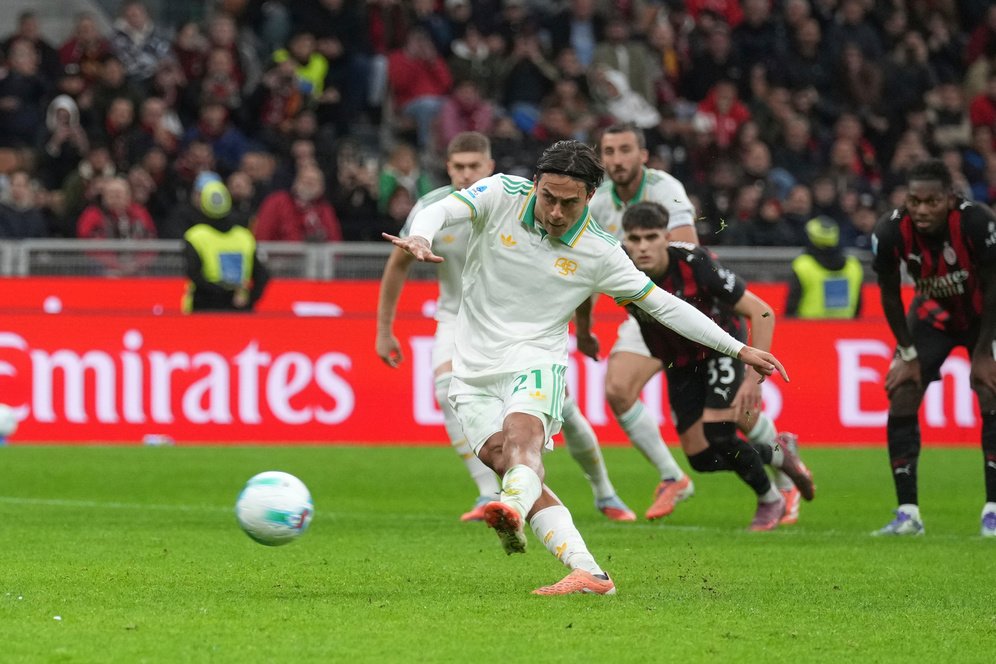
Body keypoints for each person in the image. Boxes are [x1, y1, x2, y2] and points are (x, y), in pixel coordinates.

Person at [385, 140, 788, 595]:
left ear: (590, 196)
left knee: (523, 442)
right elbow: (442, 210)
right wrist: (420, 234)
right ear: (535, 184)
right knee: (504, 459)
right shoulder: (500, 193)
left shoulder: (601, 252)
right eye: (549, 198)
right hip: (473, 365)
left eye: (569, 203)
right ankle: (590, 572)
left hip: (537, 358)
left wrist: (737, 348)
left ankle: (512, 508)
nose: (556, 211)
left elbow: (666, 306)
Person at [376, 131, 635, 523]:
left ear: (489, 167)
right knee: (446, 387)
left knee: (562, 406)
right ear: (448, 168)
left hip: (524, 320)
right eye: (458, 167)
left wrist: (583, 329)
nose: (465, 175)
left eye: (473, 167)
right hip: (456, 317)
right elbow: (398, 264)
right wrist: (384, 329)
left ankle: (605, 492)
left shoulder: (520, 203)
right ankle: (487, 493)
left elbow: (583, 278)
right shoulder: (434, 207)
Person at [586, 122, 803, 523]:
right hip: (645, 308)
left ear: (643, 156)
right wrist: (584, 329)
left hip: (685, 308)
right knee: (619, 391)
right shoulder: (598, 203)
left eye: (625, 150)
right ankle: (673, 476)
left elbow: (686, 256)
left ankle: (782, 479)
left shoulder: (665, 189)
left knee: (730, 419)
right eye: (610, 152)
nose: (617, 160)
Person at [620, 201, 814, 530]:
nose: (642, 248)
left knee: (720, 433)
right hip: (678, 361)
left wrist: (753, 380)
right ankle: (779, 451)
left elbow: (763, 312)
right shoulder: (618, 267)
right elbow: (584, 290)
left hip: (720, 349)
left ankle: (771, 499)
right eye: (634, 240)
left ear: (666, 237)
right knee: (701, 459)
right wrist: (583, 331)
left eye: (650, 237)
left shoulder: (695, 263)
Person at [870, 159, 996, 537]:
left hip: (984, 318)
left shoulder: (977, 222)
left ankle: (993, 510)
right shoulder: (890, 232)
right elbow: (890, 296)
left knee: (990, 389)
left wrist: (985, 351)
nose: (922, 210)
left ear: (950, 199)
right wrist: (907, 354)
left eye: (932, 201)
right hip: (931, 316)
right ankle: (907, 514)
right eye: (914, 201)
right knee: (903, 392)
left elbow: (994, 287)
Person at [182, 180, 270, 313]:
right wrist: (249, 299)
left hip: (205, 309)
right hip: (238, 309)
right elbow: (262, 275)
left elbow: (194, 274)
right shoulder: (244, 236)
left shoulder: (195, 236)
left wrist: (222, 293)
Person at [786, 216, 864, 319]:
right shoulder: (853, 265)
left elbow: (792, 304)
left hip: (809, 330)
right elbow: (858, 306)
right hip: (844, 329)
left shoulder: (803, 265)